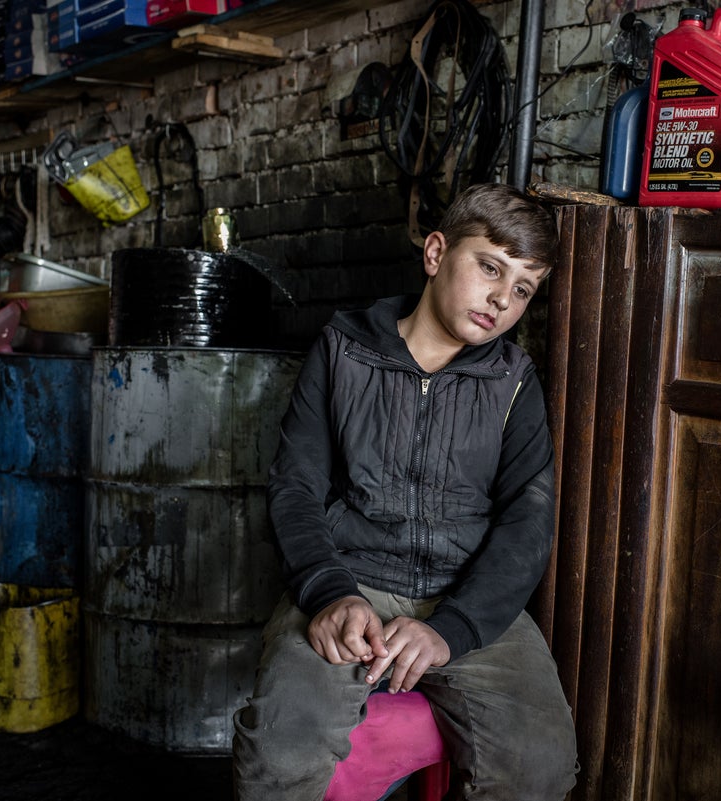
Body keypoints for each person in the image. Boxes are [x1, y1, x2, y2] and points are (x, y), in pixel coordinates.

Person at [232, 182, 578, 800]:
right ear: (437, 253)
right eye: (490, 267)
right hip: (350, 582)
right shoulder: (343, 350)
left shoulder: (514, 382)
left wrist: (455, 626)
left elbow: (528, 523)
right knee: (282, 749)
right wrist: (328, 592)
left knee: (539, 765)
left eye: (523, 288)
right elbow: (295, 488)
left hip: (466, 597)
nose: (501, 299)